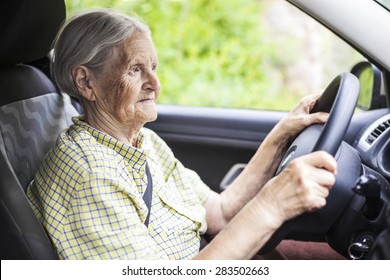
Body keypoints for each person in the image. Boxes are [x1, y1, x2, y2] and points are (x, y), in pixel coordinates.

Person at [27, 9, 340, 260]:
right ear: (85, 82)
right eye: (136, 69)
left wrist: (282, 135)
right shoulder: (91, 175)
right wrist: (272, 205)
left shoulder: (143, 142)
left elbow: (220, 212)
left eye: (154, 67)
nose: (154, 83)